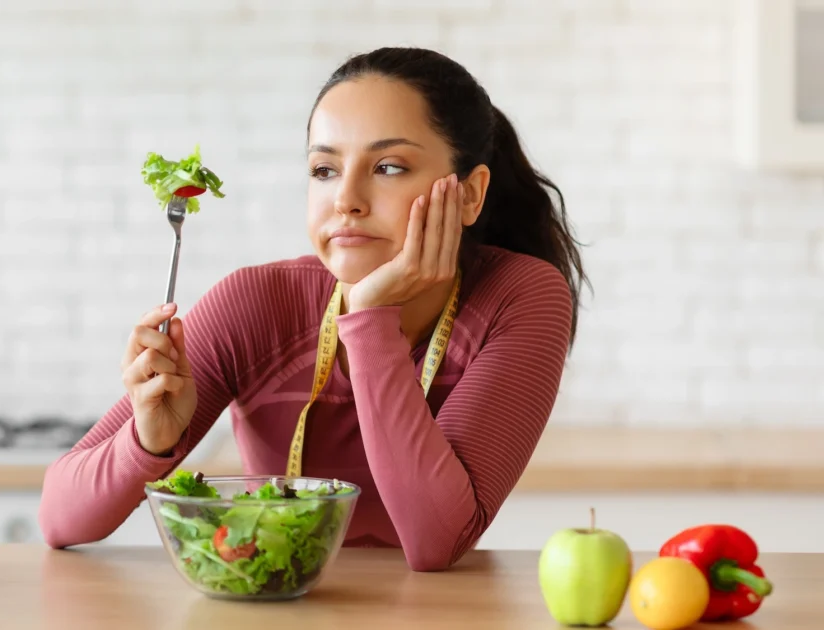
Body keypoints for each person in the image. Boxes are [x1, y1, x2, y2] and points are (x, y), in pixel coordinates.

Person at [38, 46, 588, 572]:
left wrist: (370, 317)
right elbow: (59, 518)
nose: (345, 198)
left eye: (389, 167)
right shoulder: (257, 304)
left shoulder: (519, 298)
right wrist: (149, 441)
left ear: (469, 195)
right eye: (324, 170)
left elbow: (435, 543)